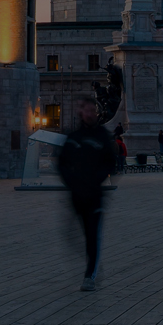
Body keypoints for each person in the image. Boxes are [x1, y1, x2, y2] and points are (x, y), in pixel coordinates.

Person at [57, 95, 117, 291]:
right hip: (76, 195)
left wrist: (96, 180)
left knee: (92, 235)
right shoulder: (73, 137)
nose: (90, 114)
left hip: (94, 196)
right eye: (86, 110)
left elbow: (112, 162)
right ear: (80, 112)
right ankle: (92, 261)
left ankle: (89, 274)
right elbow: (61, 164)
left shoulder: (102, 136)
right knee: (72, 236)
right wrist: (72, 182)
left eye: (93, 110)